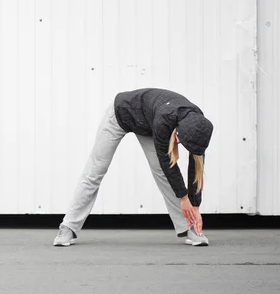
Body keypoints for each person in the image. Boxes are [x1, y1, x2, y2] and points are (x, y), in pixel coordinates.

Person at [53, 88, 214, 247]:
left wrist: (195, 205)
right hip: (121, 114)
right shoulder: (165, 119)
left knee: (162, 173)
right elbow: (167, 163)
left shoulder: (199, 127)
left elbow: (196, 168)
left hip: (148, 124)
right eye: (178, 137)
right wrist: (184, 198)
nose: (178, 142)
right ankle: (68, 226)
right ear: (178, 127)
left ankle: (191, 226)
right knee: (95, 171)